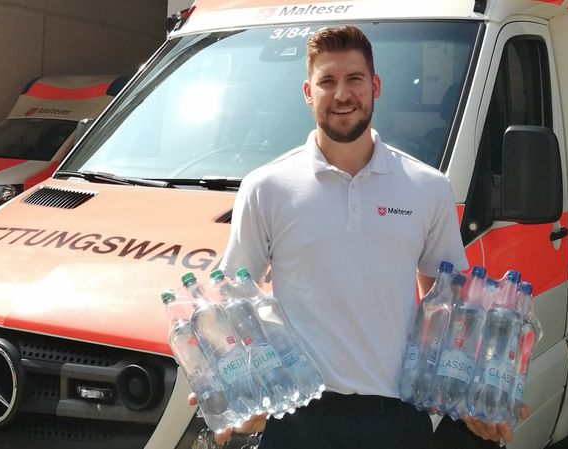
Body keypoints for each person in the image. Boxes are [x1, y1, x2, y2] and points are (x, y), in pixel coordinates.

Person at [189, 25, 528, 448]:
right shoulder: (267, 187)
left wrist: (476, 397)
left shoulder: (427, 186)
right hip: (298, 420)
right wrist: (227, 384)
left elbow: (449, 304)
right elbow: (231, 299)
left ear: (376, 86)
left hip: (397, 417)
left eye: (354, 79)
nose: (342, 94)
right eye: (327, 81)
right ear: (308, 93)